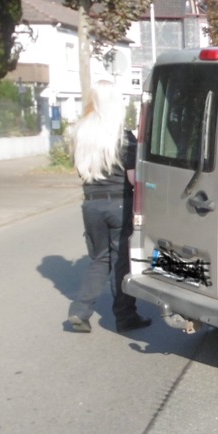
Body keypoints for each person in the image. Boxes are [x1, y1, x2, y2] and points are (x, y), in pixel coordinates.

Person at [65, 79, 151, 333]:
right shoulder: (123, 139)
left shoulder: (80, 135)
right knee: (122, 263)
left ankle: (80, 311)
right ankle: (125, 317)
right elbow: (133, 179)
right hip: (119, 205)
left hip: (90, 205)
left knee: (99, 259)